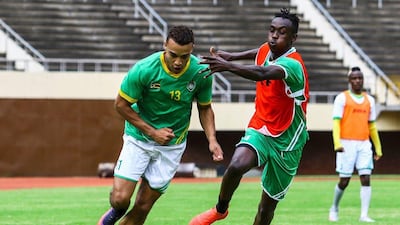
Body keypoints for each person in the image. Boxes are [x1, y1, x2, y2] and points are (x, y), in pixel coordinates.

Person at [189, 8, 309, 225]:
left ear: (294, 38)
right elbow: (260, 51)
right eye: (272, 30)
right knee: (236, 165)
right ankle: (220, 210)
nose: (274, 36)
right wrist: (232, 56)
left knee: (265, 209)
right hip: (261, 127)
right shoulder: (268, 49)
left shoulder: (293, 65)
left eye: (281, 33)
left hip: (288, 141)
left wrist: (227, 66)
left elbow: (262, 73)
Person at [97, 25, 224, 225]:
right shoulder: (144, 69)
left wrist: (212, 139)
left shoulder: (201, 72)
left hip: (172, 147)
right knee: (120, 200)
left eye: (185, 56)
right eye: (173, 55)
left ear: (192, 50)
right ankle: (114, 213)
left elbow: (205, 108)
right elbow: (120, 105)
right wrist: (152, 132)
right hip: (138, 139)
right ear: (165, 45)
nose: (178, 62)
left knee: (143, 206)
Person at [328, 66, 383, 223]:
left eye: (360, 78)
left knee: (366, 177)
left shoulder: (369, 100)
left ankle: (364, 215)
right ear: (349, 81)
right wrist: (337, 143)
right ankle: (334, 207)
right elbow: (336, 123)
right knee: (344, 180)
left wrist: (378, 148)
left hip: (364, 143)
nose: (357, 81)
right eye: (354, 78)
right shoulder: (342, 98)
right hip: (346, 144)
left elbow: (372, 126)